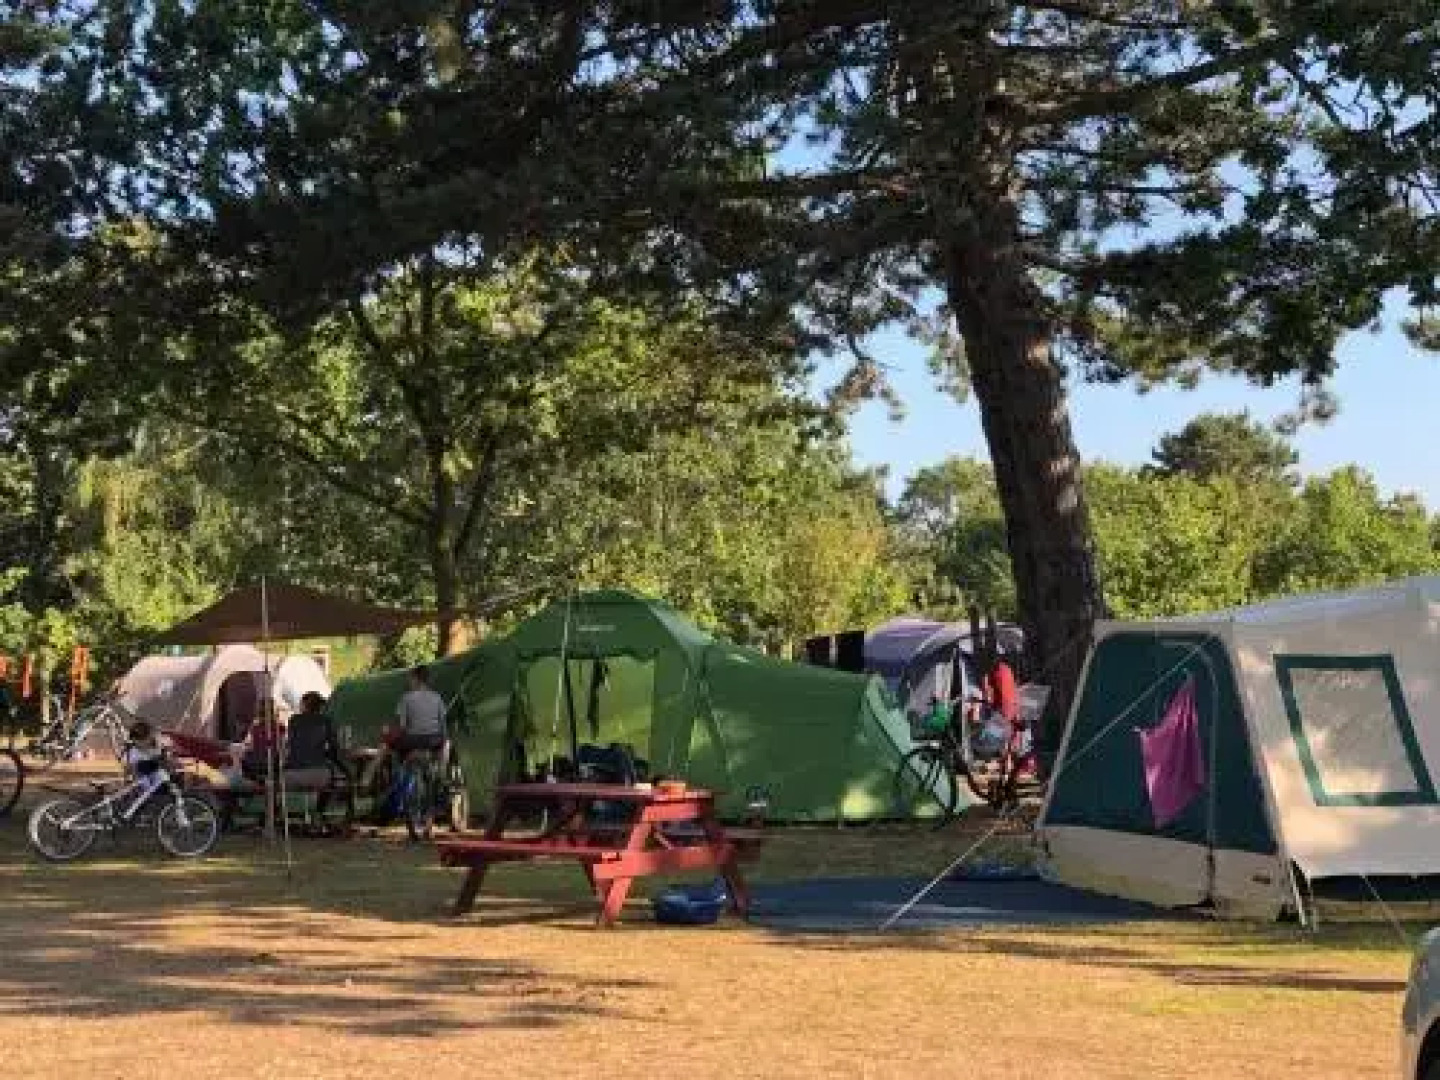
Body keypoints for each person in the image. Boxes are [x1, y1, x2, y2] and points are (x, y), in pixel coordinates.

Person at [391, 665, 447, 760]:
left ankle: (410, 759)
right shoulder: (437, 697)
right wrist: (443, 739)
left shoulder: (406, 698)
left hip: (414, 739)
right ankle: (429, 756)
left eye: (411, 679)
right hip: (435, 739)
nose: (409, 682)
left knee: (394, 745)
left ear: (416, 679)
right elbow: (443, 723)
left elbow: (402, 726)